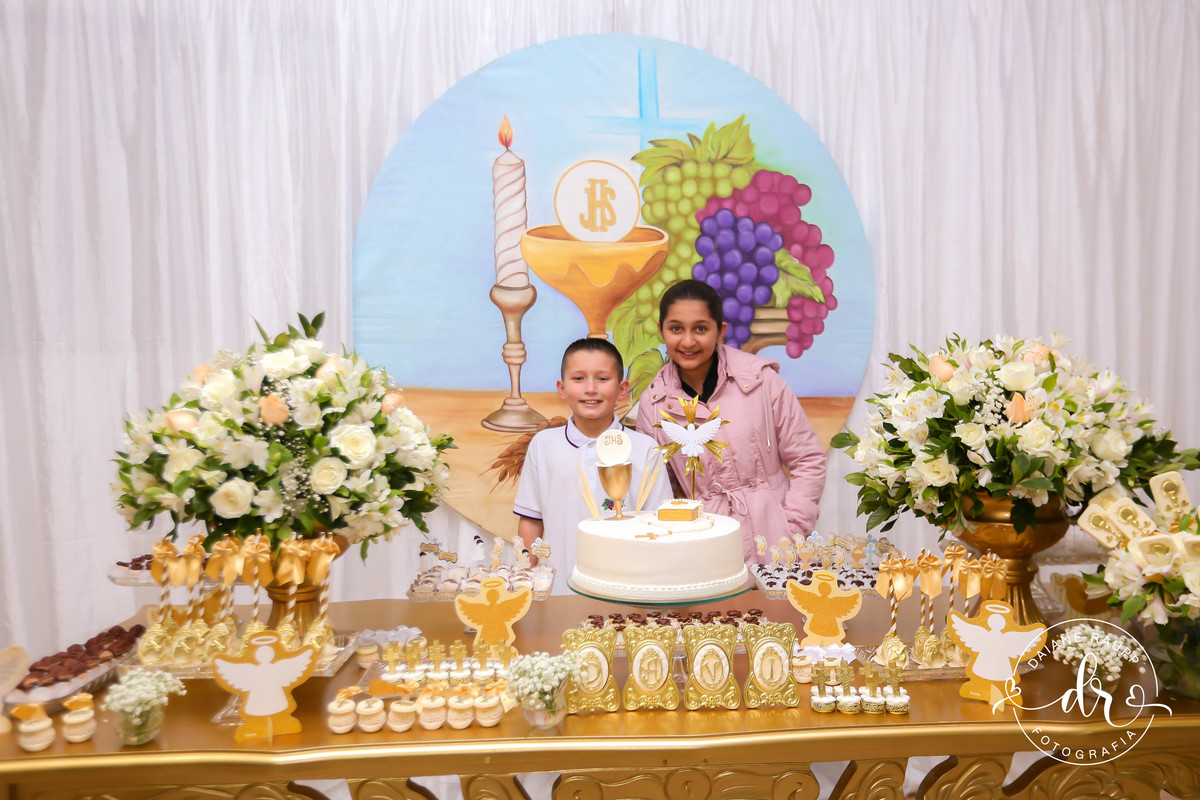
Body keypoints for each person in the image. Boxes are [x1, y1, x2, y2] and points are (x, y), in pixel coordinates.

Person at [636, 279, 826, 563]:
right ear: (661, 330)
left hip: (778, 548)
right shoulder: (653, 405)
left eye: (700, 328)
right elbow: (659, 492)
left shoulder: (762, 381)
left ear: (720, 331)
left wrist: (793, 531)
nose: (687, 341)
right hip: (705, 553)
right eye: (676, 329)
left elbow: (807, 459)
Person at [514, 338, 673, 594]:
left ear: (622, 389)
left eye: (602, 379)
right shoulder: (543, 445)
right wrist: (525, 579)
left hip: (628, 592)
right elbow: (532, 521)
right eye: (578, 378)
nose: (590, 389)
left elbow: (661, 525)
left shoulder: (646, 449)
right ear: (562, 388)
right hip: (559, 591)